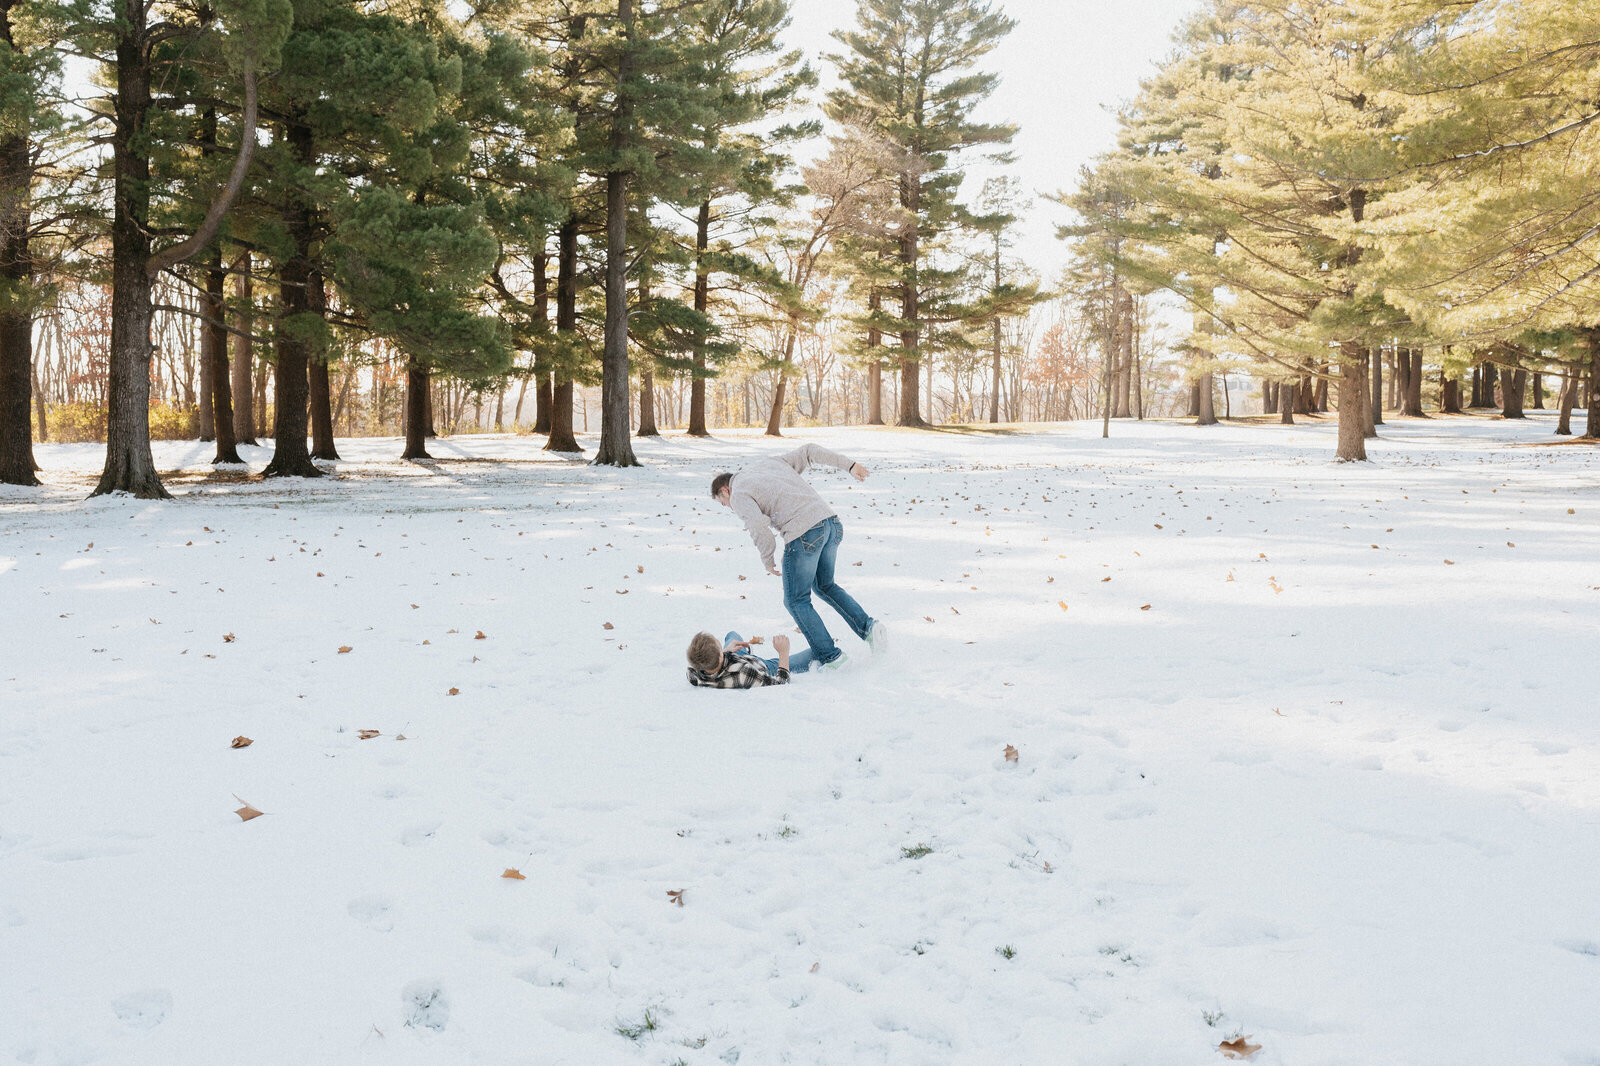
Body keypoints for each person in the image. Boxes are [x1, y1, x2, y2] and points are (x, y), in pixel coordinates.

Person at [711, 443, 886, 667]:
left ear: (725, 490)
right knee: (825, 585)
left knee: (795, 599)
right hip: (831, 524)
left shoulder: (738, 493)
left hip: (804, 533)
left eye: (724, 503)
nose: (730, 507)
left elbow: (757, 525)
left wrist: (767, 559)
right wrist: (849, 465)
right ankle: (870, 628)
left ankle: (832, 658)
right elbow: (809, 451)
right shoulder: (769, 463)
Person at [685, 630, 810, 689]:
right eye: (719, 645)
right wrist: (783, 652)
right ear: (719, 656)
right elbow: (781, 684)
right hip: (761, 666)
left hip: (733, 658)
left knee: (732, 635)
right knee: (808, 656)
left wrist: (725, 651)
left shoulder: (694, 673)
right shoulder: (744, 672)